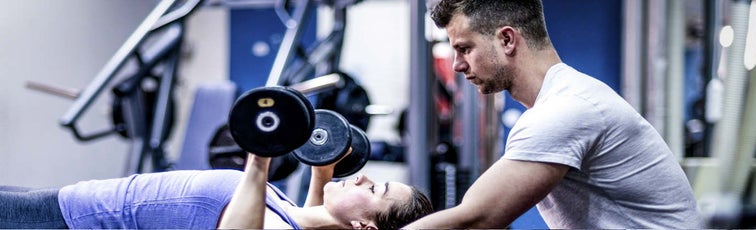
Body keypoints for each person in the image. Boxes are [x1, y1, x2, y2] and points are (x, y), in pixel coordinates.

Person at [404, 0, 703, 229]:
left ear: (507, 40)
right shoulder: (567, 97)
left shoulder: (565, 110)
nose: (457, 64)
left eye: (464, 48)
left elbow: (476, 219)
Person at [0, 150, 433, 229]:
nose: (363, 177)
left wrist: (260, 158)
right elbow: (313, 211)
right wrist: (324, 168)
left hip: (78, 221)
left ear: (363, 226)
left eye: (376, 189)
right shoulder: (296, 217)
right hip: (77, 201)